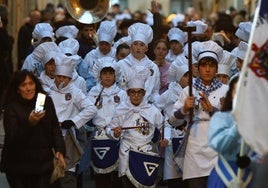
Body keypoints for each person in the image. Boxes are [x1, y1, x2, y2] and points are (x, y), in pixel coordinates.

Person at [172, 41, 229, 188]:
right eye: (204, 65)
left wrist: (212, 110)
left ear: (217, 68)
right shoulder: (188, 91)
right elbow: (173, 121)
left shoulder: (226, 91)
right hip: (195, 149)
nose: (208, 69)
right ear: (198, 68)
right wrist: (184, 109)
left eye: (212, 66)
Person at [0, 70, 66, 188]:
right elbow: (13, 136)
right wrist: (29, 123)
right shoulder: (12, 106)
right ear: (17, 89)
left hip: (43, 161)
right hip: (19, 165)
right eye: (23, 85)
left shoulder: (45, 101)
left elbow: (55, 127)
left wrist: (59, 150)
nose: (28, 88)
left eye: (31, 84)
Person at [106, 67, 167, 188]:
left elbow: (165, 125)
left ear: (144, 93)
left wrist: (164, 138)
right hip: (127, 152)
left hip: (146, 151)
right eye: (132, 92)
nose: (136, 95)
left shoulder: (152, 110)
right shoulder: (121, 109)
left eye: (139, 92)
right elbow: (109, 129)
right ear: (128, 93)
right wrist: (116, 133)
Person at [49, 56, 97, 188]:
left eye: (63, 77)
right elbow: (38, 110)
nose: (60, 80)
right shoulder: (47, 92)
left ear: (69, 79)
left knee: (68, 173)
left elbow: (91, 109)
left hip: (67, 138)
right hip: (50, 138)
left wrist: (73, 121)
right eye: (58, 76)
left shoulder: (75, 92)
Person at [208, 76, 254, 188]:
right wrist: (238, 125)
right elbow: (218, 145)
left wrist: (253, 160)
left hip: (251, 176)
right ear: (231, 95)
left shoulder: (260, 120)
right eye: (237, 92)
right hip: (224, 177)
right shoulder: (221, 117)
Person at [87, 57, 127, 188]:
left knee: (117, 173)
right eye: (105, 73)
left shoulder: (122, 94)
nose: (108, 77)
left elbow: (126, 113)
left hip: (117, 135)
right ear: (99, 75)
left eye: (111, 73)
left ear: (116, 75)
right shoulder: (93, 93)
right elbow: (88, 112)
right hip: (100, 136)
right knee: (101, 173)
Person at [154, 61, 189, 188]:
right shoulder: (169, 93)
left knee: (188, 175)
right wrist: (162, 127)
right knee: (174, 178)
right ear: (179, 77)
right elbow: (155, 108)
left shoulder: (193, 92)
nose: (189, 79)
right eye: (186, 76)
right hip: (172, 135)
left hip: (188, 135)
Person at [117, 22, 160, 103]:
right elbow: (120, 87)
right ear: (131, 46)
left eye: (142, 45)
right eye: (135, 44)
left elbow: (155, 91)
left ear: (146, 48)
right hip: (125, 105)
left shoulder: (153, 67)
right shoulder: (121, 64)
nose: (138, 48)